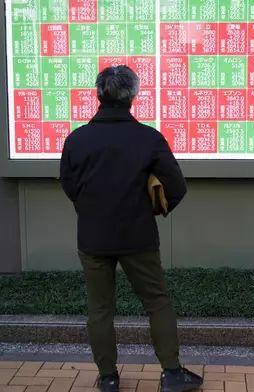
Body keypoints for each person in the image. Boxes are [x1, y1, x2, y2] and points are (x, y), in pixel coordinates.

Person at [59, 65, 203, 392]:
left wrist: (92, 211)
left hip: (93, 237)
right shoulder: (148, 139)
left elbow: (69, 186)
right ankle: (171, 373)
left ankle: (108, 378)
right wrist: (148, 208)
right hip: (138, 236)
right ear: (133, 96)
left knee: (99, 309)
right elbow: (176, 187)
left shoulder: (77, 140)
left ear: (98, 94)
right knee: (157, 302)